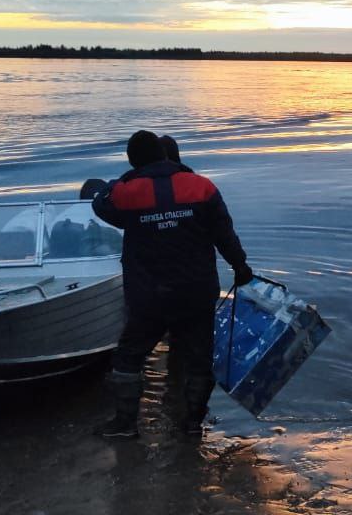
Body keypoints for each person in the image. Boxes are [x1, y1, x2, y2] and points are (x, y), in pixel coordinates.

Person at [92, 130, 252, 439]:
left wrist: (123, 179)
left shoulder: (128, 193)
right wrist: (240, 266)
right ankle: (192, 423)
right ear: (165, 155)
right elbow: (224, 234)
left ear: (133, 162)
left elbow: (101, 204)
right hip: (196, 292)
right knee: (199, 359)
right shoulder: (202, 187)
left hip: (150, 296)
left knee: (128, 357)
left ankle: (125, 424)